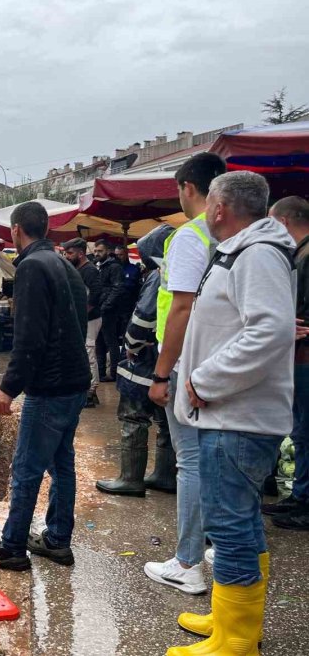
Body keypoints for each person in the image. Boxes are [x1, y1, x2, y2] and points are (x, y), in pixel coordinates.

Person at [166, 171, 296, 655]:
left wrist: (204, 379)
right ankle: (229, 618)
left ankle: (236, 640)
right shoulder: (247, 250)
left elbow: (269, 331)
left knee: (229, 526)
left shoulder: (256, 253)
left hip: (234, 416)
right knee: (239, 522)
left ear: (219, 208)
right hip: (229, 414)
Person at [0, 202, 90, 571]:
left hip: (49, 387)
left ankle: (13, 545)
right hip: (76, 382)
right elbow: (77, 323)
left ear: (16, 230)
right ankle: (57, 539)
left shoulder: (31, 267)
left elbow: (28, 337)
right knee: (61, 463)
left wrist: (8, 388)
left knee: (28, 466)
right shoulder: (66, 265)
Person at [144, 152, 226, 595]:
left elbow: (180, 306)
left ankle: (188, 561)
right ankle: (219, 542)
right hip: (221, 363)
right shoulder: (237, 236)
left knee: (191, 461)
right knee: (216, 457)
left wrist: (161, 373)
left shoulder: (190, 238)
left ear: (188, 188)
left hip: (187, 364)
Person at [96, 225, 176, 497]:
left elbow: (143, 317)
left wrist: (130, 344)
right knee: (165, 422)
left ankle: (130, 478)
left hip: (145, 361)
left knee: (133, 417)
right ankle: (165, 474)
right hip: (168, 357)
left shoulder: (157, 277)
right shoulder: (180, 273)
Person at [264, 195, 309, 530]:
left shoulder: (305, 256)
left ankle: (305, 503)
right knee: (301, 429)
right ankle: (300, 497)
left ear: (281, 222)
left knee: (305, 431)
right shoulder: (301, 254)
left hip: (304, 355)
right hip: (299, 354)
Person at [63, 238, 103, 407]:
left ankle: (91, 391)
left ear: (80, 253)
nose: (66, 256)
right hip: (80, 319)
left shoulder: (90, 271)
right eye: (65, 253)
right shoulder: (75, 269)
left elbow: (95, 295)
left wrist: (81, 313)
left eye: (70, 253)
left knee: (89, 353)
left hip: (91, 319)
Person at [93, 239, 124, 382]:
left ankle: (114, 373)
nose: (97, 253)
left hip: (109, 312)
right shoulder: (98, 266)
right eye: (95, 251)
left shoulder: (114, 267)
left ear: (108, 251)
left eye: (100, 251)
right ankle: (100, 372)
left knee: (110, 342)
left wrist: (105, 306)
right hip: (98, 310)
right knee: (99, 342)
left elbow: (117, 289)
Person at [115, 243, 142, 335]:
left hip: (128, 304)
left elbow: (134, 286)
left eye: (121, 255)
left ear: (126, 255)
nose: (118, 257)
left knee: (125, 329)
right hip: (114, 305)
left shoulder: (134, 269)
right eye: (116, 255)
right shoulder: (113, 269)